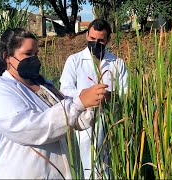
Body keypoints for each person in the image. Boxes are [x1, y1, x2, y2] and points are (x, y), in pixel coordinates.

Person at [0, 28, 108, 179]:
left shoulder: (45, 86)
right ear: (7, 57)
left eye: (36, 54)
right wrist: (79, 103)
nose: (34, 59)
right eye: (28, 54)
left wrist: (92, 104)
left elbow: (74, 121)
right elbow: (31, 129)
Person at [60, 19, 128, 179]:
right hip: (82, 124)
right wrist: (88, 95)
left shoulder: (117, 63)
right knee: (84, 166)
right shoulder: (74, 61)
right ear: (86, 36)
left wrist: (109, 96)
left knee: (107, 168)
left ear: (108, 40)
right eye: (92, 39)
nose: (95, 43)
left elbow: (125, 92)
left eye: (100, 40)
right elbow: (65, 90)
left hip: (110, 123)